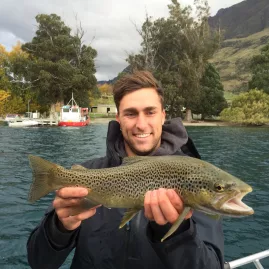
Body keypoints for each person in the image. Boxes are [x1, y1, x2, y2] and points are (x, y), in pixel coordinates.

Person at [27, 71, 224, 269]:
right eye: (130, 113)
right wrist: (59, 227)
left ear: (163, 116)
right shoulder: (85, 174)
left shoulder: (194, 178)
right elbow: (38, 262)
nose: (141, 124)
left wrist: (178, 232)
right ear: (118, 118)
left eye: (150, 112)